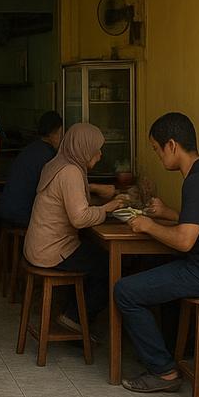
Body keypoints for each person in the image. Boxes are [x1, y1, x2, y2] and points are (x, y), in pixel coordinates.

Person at [115, 112, 199, 394]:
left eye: (156, 149)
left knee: (125, 291)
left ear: (172, 145)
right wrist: (167, 213)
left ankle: (163, 371)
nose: (157, 156)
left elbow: (186, 241)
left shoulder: (197, 181)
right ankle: (172, 349)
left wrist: (150, 225)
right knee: (156, 268)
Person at [23, 123, 125, 333]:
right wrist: (108, 208)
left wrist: (94, 190)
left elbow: (68, 196)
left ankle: (74, 313)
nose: (99, 153)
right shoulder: (70, 171)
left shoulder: (57, 163)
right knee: (112, 265)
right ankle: (75, 318)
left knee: (94, 255)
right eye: (95, 149)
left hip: (38, 246)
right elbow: (79, 218)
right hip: (52, 251)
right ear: (83, 148)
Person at [0, 112, 121, 230]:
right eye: (61, 133)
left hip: (10, 209)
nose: (62, 139)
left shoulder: (35, 149)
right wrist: (104, 206)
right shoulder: (53, 160)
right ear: (52, 134)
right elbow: (78, 216)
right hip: (22, 214)